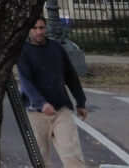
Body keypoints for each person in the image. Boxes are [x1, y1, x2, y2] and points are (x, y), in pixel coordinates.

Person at [17, 15, 88, 168]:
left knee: (72, 154)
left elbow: (70, 75)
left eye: (42, 28)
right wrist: (41, 103)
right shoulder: (23, 51)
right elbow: (25, 82)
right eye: (34, 28)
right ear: (28, 30)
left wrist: (80, 101)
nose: (39, 32)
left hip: (61, 109)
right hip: (35, 112)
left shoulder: (56, 48)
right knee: (40, 158)